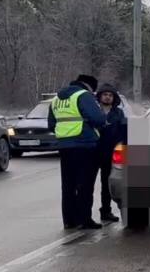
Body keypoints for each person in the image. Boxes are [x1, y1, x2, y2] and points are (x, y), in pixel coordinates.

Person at [49, 74, 107, 229]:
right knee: (85, 185)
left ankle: (69, 220)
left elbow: (51, 124)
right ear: (89, 86)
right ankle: (84, 219)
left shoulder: (56, 99)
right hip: (85, 146)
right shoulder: (83, 96)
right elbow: (99, 119)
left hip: (64, 147)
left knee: (68, 185)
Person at [95, 84, 127, 223]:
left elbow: (123, 132)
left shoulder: (118, 113)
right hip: (93, 151)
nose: (107, 97)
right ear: (100, 96)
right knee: (85, 185)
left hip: (110, 152)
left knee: (106, 184)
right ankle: (84, 215)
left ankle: (106, 211)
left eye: (110, 95)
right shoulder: (94, 111)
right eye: (105, 94)